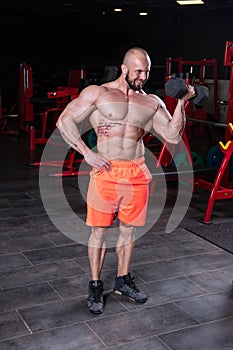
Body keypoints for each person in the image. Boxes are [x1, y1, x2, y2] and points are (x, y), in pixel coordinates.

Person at [56, 47, 195, 314]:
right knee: (99, 232)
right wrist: (87, 154)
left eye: (146, 72)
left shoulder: (152, 101)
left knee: (129, 230)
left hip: (136, 173)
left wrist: (182, 103)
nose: (143, 77)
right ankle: (95, 284)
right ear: (124, 68)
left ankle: (122, 279)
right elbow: (65, 121)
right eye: (138, 71)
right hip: (105, 172)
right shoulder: (99, 93)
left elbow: (173, 136)